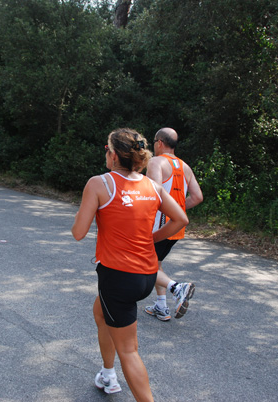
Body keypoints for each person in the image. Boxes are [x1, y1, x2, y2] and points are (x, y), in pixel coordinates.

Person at [72, 128, 188, 402]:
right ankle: (107, 374)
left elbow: (78, 232)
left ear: (114, 155)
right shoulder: (152, 186)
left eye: (107, 148)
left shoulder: (99, 183)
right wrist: (151, 239)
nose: (105, 152)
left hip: (118, 278)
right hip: (146, 276)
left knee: (129, 350)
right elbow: (180, 218)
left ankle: (127, 386)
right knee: (100, 313)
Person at [144, 127, 204, 321]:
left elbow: (153, 193)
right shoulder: (185, 166)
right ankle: (161, 306)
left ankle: (177, 288)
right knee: (155, 263)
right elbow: (197, 197)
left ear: (159, 142)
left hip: (157, 226)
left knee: (141, 264)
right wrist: (177, 210)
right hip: (176, 228)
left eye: (154, 142)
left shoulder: (156, 162)